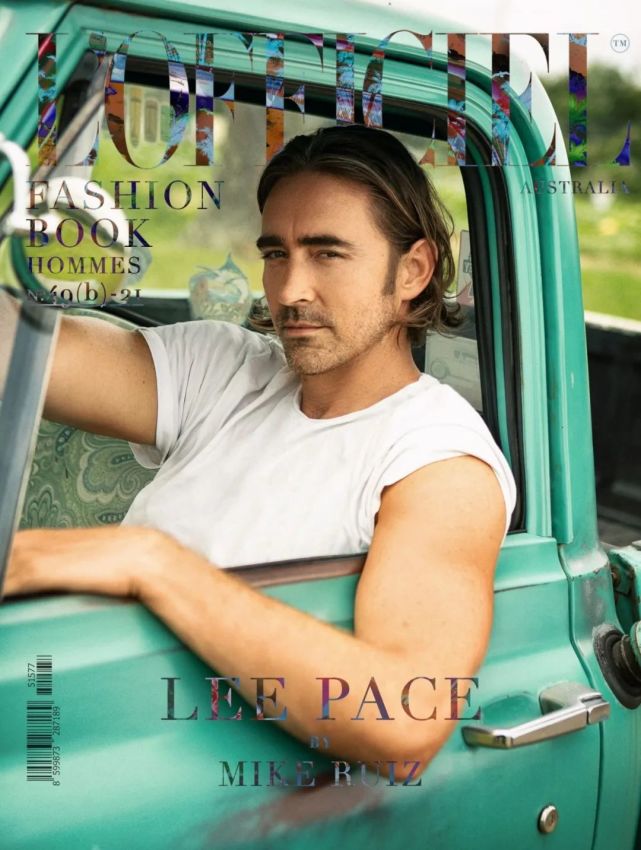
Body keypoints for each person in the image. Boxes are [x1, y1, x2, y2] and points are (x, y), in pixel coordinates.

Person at [4, 125, 516, 778]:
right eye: (276, 254)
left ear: (412, 270)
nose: (290, 289)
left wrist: (150, 561)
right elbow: (20, 351)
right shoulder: (226, 369)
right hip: (63, 714)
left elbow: (405, 720)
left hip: (180, 772)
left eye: (327, 254)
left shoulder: (438, 463)